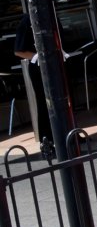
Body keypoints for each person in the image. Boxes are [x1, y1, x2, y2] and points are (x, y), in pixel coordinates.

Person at [13, 12, 52, 149]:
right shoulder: (27, 21)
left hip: (54, 63)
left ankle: (69, 133)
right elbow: (18, 50)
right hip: (38, 66)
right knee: (44, 101)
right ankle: (47, 138)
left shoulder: (50, 16)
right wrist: (38, 58)